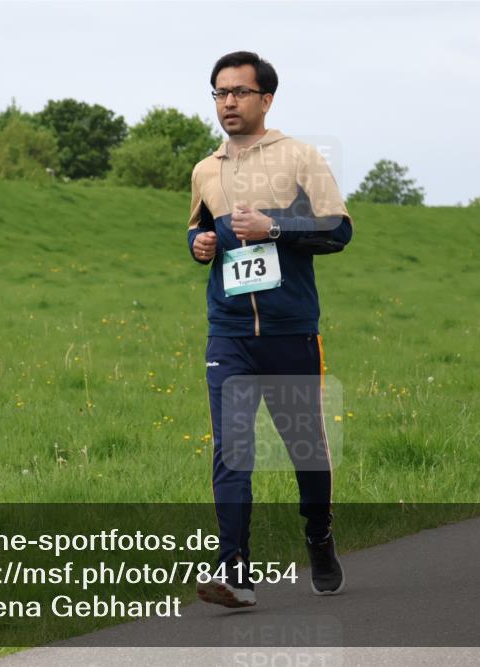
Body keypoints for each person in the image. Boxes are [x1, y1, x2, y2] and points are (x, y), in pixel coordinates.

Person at [188, 51, 354, 608]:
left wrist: (275, 226)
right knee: (232, 450)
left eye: (238, 92)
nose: (227, 102)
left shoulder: (300, 158)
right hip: (228, 333)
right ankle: (234, 571)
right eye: (219, 93)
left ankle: (319, 537)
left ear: (266, 99)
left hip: (290, 332)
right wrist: (199, 246)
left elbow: (338, 229)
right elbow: (196, 230)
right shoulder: (206, 169)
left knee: (304, 448)